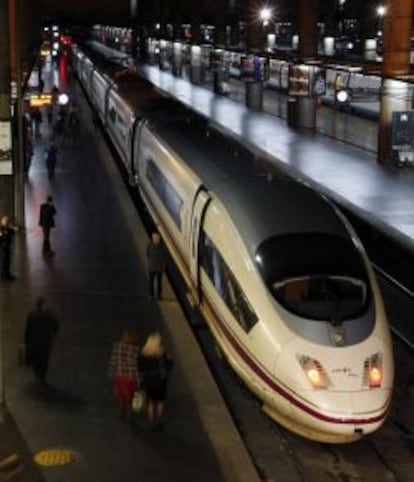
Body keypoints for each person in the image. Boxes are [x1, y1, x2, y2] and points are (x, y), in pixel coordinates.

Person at [137, 332, 173, 427]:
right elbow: (169, 366)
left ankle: (151, 421)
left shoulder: (144, 353)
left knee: (150, 402)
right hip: (161, 381)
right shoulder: (162, 353)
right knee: (160, 401)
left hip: (148, 380)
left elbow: (140, 367)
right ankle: (160, 421)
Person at [24, 297, 60, 384]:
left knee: (36, 358)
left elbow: (28, 329)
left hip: (35, 341)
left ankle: (37, 373)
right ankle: (42, 375)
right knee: (44, 359)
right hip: (46, 341)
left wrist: (26, 341)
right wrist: (53, 335)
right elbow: (56, 326)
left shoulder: (31, 315)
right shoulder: (49, 315)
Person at [108, 329, 140, 424]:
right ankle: (130, 417)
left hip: (119, 376)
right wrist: (139, 379)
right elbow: (137, 365)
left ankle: (122, 413)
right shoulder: (136, 349)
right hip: (131, 377)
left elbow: (113, 361)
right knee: (130, 399)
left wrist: (111, 373)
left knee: (121, 396)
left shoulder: (117, 347)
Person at [146, 232, 166, 299]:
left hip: (154, 267)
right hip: (156, 267)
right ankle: (155, 295)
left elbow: (147, 254)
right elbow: (164, 257)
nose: (156, 239)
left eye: (157, 238)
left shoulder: (150, 245)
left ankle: (155, 295)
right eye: (155, 238)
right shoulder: (161, 247)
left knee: (156, 282)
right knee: (155, 282)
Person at [0, 216, 15, 281]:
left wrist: (10, 227)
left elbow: (13, 233)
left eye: (7, 221)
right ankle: (3, 276)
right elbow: (1, 238)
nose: (6, 222)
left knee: (8, 261)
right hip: (3, 248)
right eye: (5, 221)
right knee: (4, 262)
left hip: (7, 247)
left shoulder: (8, 228)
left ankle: (8, 274)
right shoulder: (1, 229)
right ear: (2, 222)